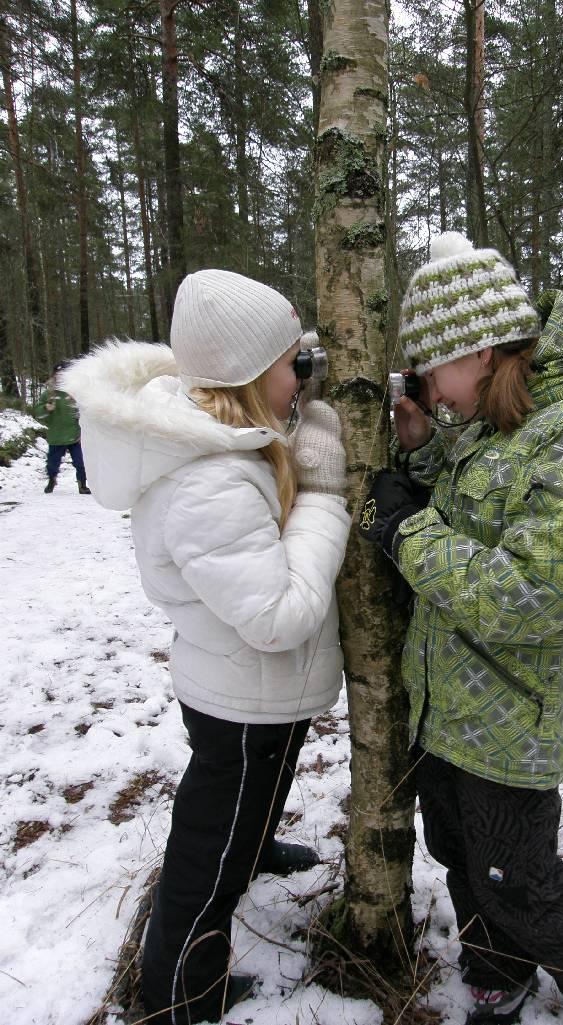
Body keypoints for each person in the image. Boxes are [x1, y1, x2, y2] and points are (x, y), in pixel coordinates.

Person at [359, 233, 563, 1025]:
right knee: (457, 854)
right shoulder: (492, 423)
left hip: (512, 719)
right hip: (447, 708)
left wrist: (405, 535)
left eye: (432, 367)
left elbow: (536, 595)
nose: (427, 385)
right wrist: (420, 456)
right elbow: (476, 513)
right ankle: (497, 962)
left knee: (514, 874)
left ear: (480, 351)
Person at [62, 269, 351, 1025]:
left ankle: (248, 848)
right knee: (205, 847)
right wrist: (322, 492)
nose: (305, 377)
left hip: (250, 689)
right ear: (254, 377)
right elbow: (277, 615)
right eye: (297, 365)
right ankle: (180, 991)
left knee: (254, 796)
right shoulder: (208, 482)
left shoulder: (225, 433)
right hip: (244, 691)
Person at [33, 360, 91, 494]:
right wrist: (46, 408)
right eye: (59, 373)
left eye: (64, 373)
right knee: (52, 464)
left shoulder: (75, 393)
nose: (61, 376)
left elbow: (85, 411)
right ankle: (52, 480)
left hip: (74, 435)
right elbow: (37, 412)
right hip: (56, 436)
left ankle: (82, 485)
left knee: (81, 462)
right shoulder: (49, 394)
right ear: (54, 375)